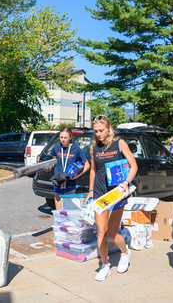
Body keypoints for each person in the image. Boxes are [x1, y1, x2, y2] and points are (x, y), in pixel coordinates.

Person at [86, 115, 138, 281]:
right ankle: (105, 265)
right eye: (96, 131)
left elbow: (133, 165)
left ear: (108, 128)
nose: (99, 134)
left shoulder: (119, 143)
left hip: (117, 193)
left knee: (112, 232)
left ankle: (125, 252)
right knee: (101, 231)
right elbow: (93, 170)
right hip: (100, 193)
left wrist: (126, 182)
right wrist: (91, 190)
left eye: (101, 130)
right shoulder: (94, 148)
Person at [50, 127, 90, 210]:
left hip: (69, 181)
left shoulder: (76, 149)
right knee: (59, 212)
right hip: (58, 180)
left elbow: (87, 165)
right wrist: (49, 168)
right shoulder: (56, 147)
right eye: (61, 137)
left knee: (68, 210)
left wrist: (77, 175)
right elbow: (53, 161)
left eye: (65, 137)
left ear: (70, 137)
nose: (63, 140)